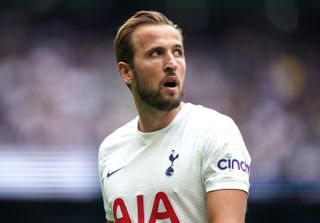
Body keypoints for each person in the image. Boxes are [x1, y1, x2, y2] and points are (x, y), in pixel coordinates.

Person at [99, 10, 251, 223]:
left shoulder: (215, 131)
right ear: (126, 72)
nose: (171, 63)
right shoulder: (110, 150)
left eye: (177, 52)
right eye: (156, 53)